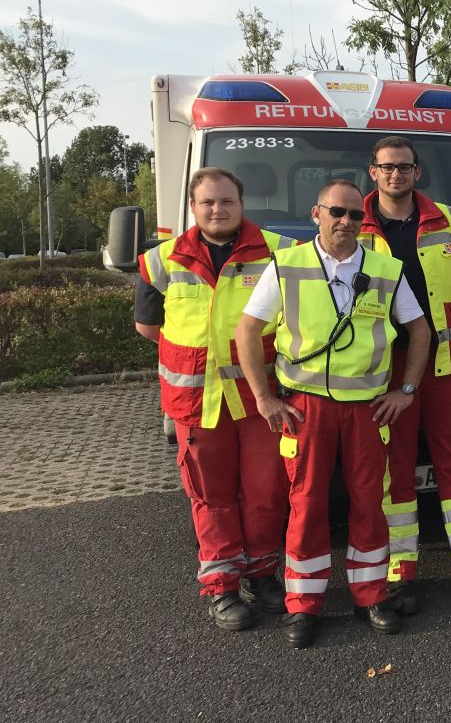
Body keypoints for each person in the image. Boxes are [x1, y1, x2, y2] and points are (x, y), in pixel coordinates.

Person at [235, 179, 432, 649]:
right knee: (306, 504)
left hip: (367, 409)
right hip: (305, 409)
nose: (346, 221)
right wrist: (264, 399)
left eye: (354, 215)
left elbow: (421, 332)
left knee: (369, 503)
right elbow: (247, 332)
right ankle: (303, 604)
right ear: (316, 214)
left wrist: (406, 390)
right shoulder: (287, 265)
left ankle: (371, 596)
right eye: (336, 212)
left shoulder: (386, 269)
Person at [135, 167, 295, 632]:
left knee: (266, 494)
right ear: (193, 207)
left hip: (259, 400)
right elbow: (149, 327)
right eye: (208, 203)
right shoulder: (161, 261)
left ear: (242, 204)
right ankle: (222, 587)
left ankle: (262, 576)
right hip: (196, 404)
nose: (217, 209)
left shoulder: (280, 253)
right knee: (211, 497)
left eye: (226, 201)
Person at [359, 136, 451, 615]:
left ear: (418, 172)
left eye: (404, 167)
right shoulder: (351, 224)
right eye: (387, 167)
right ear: (372, 172)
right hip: (382, 368)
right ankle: (400, 571)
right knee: (393, 473)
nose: (395, 175)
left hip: (446, 365)